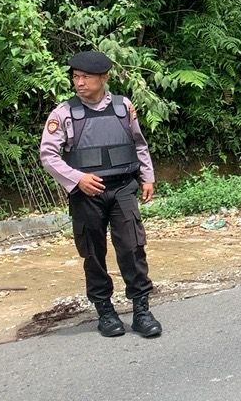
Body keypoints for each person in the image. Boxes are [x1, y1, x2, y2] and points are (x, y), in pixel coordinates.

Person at [38, 50, 162, 338]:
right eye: (75, 77)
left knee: (132, 248)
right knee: (93, 253)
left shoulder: (123, 107)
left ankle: (141, 310)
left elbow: (138, 144)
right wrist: (78, 178)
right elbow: (48, 155)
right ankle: (105, 311)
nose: (79, 83)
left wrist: (147, 176)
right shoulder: (64, 113)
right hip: (86, 193)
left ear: (103, 78)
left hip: (122, 188)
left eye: (85, 77)